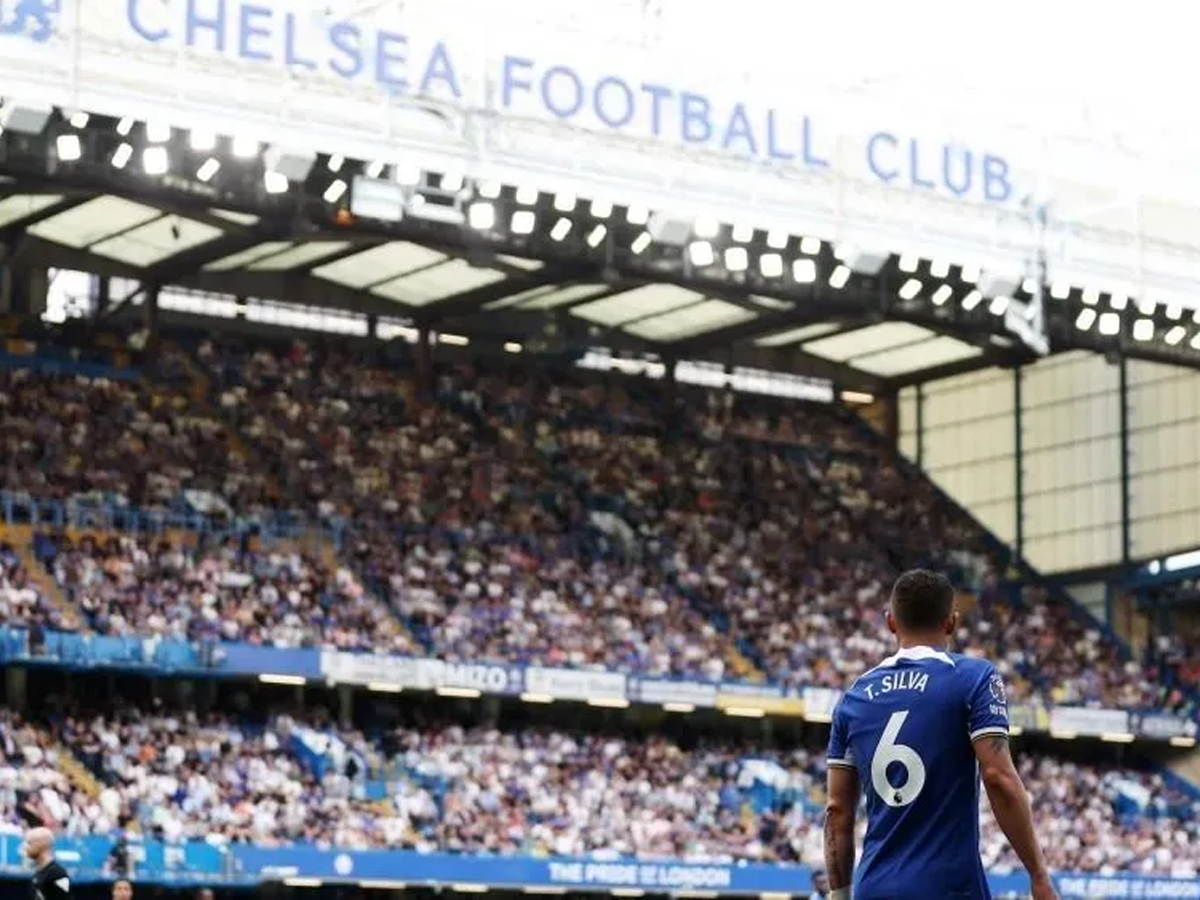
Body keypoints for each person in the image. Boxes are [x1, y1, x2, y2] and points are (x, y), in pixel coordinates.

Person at [823, 570, 1057, 900]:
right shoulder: (973, 678)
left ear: (891, 622)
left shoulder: (852, 699)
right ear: (951, 622)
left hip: (874, 888)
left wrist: (839, 894)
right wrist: (1038, 875)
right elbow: (998, 777)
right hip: (949, 887)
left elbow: (837, 810)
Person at [23, 826, 72, 900]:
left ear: (41, 844)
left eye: (29, 843)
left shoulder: (58, 873)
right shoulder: (38, 873)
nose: (25, 847)